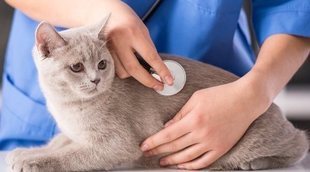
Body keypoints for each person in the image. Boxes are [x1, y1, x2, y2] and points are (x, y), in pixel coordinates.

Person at [1, 0, 309, 169]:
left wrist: (253, 93)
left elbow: (293, 7)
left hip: (221, 104)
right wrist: (94, 11)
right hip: (42, 107)